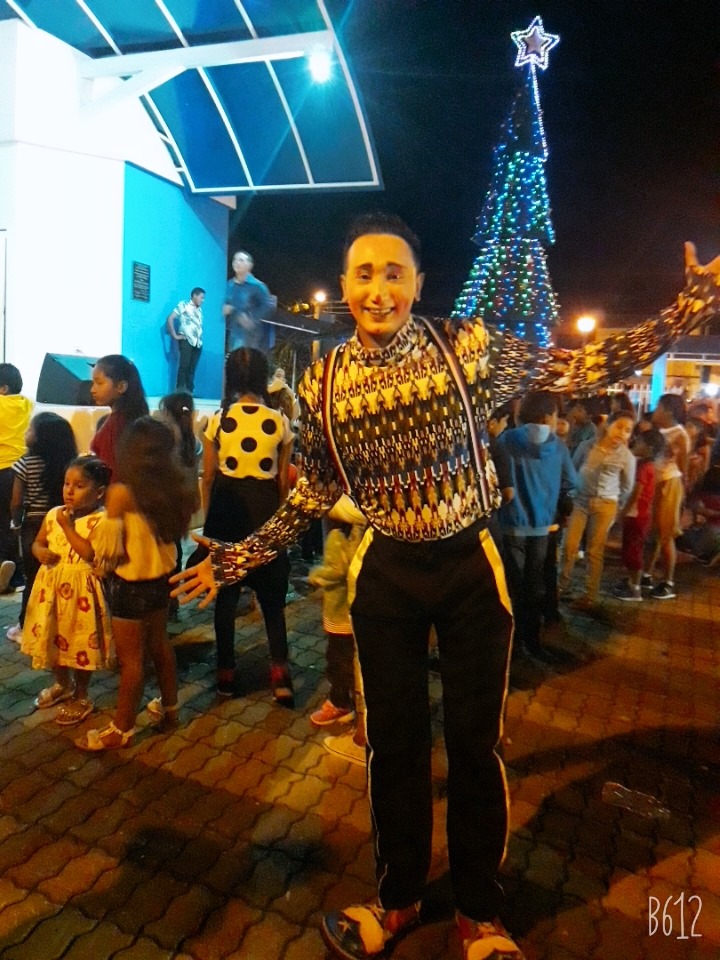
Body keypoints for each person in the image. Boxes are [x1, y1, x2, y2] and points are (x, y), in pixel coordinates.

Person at [171, 215, 720, 960]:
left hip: (469, 570)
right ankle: (396, 899)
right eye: (365, 273)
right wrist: (239, 556)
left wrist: (682, 313)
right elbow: (316, 490)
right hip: (387, 575)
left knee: (475, 746)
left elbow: (577, 369)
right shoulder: (326, 380)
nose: (379, 289)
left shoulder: (466, 346)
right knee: (392, 747)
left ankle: (479, 913)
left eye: (394, 273)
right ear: (346, 285)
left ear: (418, 284)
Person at [76, 417, 196, 751]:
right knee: (160, 646)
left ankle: (122, 729)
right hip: (161, 581)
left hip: (129, 586)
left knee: (131, 661)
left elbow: (107, 551)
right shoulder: (177, 487)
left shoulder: (122, 493)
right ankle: (171, 711)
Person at [201, 348, 294, 702]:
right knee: (272, 597)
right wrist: (279, 524)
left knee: (226, 596)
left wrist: (210, 520)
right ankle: (281, 676)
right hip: (265, 509)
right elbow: (283, 481)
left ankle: (226, 674)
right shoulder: (280, 421)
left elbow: (208, 476)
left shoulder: (218, 419)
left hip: (227, 511)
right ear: (261, 377)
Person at [21, 457, 113, 727]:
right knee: (54, 639)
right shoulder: (54, 514)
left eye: (79, 486)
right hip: (51, 592)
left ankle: (82, 695)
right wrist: (40, 551)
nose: (69, 491)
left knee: (80, 643)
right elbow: (38, 542)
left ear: (99, 492)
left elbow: (90, 554)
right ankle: (62, 684)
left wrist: (67, 527)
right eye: (67, 484)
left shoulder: (102, 520)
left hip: (82, 596)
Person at [496, 391, 577, 662]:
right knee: (534, 586)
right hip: (542, 528)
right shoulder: (558, 446)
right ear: (547, 415)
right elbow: (571, 483)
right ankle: (532, 640)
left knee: (512, 586)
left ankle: (513, 643)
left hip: (510, 525)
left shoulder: (506, 440)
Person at [7, 413, 78, 641]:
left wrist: (16, 522)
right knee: (55, 576)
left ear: (41, 438)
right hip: (61, 521)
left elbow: (16, 501)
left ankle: (26, 627)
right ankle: (56, 626)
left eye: (30, 430)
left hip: (34, 524)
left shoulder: (25, 463)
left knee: (33, 577)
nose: (26, 433)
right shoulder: (70, 463)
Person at [309, 495, 368, 765]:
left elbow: (337, 569)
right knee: (347, 660)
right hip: (352, 611)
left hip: (340, 613)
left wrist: (315, 575)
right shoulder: (357, 532)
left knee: (340, 660)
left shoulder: (338, 534)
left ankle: (341, 704)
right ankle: (348, 705)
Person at [559, 410, 636, 612]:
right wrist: (569, 496)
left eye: (628, 430)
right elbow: (572, 470)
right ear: (608, 425)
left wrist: (616, 508)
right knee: (569, 546)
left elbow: (627, 487)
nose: (622, 433)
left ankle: (590, 596)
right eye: (619, 427)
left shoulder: (627, 457)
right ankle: (561, 587)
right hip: (580, 501)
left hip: (605, 505)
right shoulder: (587, 446)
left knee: (594, 551)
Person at [158, 391, 202, 621]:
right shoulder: (195, 443)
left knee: (165, 552)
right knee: (176, 551)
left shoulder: (165, 443)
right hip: (183, 505)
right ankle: (173, 601)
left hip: (166, 505)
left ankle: (164, 601)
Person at [642, 393, 691, 599]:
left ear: (669, 411)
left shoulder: (679, 434)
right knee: (652, 533)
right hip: (654, 483)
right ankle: (646, 574)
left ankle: (668, 581)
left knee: (665, 534)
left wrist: (683, 495)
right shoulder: (658, 431)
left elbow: (683, 469)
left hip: (668, 484)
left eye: (659, 407)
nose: (655, 411)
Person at [613, 427, 665, 601]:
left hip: (636, 515)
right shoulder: (647, 465)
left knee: (633, 551)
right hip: (639, 514)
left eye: (640, 441)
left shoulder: (644, 467)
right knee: (631, 549)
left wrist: (623, 511)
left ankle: (634, 589)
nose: (636, 443)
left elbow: (637, 491)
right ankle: (632, 582)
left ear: (649, 447)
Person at [90, 355, 149, 482]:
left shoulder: (116, 424)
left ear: (121, 387)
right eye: (93, 383)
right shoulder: (136, 418)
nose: (92, 390)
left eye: (99, 383)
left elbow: (113, 472)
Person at [0, 363, 33, 594]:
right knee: (13, 523)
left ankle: (4, 567)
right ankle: (17, 575)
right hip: (21, 470)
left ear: (3, 388)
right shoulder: (26, 404)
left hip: (1, 468)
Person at [223, 250, 276, 354]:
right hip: (232, 331)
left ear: (249, 265)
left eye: (241, 260)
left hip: (249, 334)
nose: (237, 262)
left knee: (243, 359)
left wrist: (252, 318)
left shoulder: (257, 286)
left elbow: (269, 305)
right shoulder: (229, 284)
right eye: (235, 260)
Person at [167, 287, 205, 394]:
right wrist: (175, 336)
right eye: (201, 297)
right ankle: (179, 393)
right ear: (194, 296)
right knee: (184, 366)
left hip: (198, 343)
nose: (203, 300)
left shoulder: (200, 310)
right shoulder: (184, 305)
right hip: (187, 340)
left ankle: (189, 392)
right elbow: (170, 318)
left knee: (192, 368)